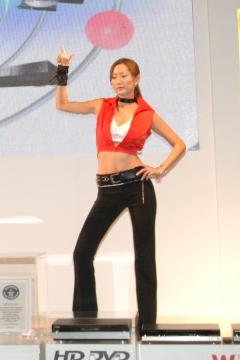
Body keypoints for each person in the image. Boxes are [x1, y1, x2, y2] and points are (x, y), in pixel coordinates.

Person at [54, 46, 185, 326]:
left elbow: (179, 144)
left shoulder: (147, 113)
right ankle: (86, 321)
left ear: (136, 79)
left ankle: (147, 323)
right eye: (114, 76)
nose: (118, 81)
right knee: (81, 253)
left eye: (124, 75)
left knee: (144, 257)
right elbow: (63, 104)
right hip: (107, 189)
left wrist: (159, 169)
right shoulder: (102, 105)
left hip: (137, 186)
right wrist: (62, 71)